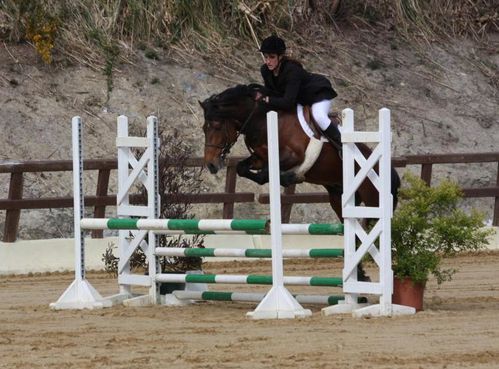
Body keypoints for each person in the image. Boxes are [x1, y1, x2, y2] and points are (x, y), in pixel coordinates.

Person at [255, 35, 342, 150]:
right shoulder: (265, 70)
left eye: (272, 57)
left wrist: (267, 99)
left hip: (317, 94)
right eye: (266, 57)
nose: (268, 61)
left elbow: (287, 102)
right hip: (299, 98)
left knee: (319, 116)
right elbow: (272, 91)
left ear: (280, 56)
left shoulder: (292, 70)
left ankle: (342, 146)